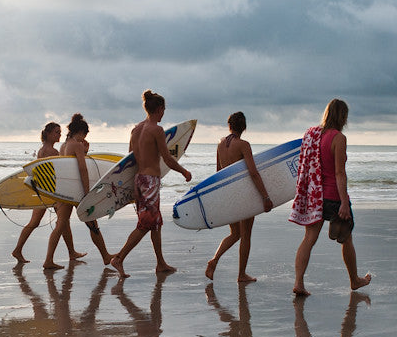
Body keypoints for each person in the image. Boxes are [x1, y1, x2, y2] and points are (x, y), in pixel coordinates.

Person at [290, 98, 373, 296]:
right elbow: (339, 173)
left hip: (316, 195)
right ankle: (354, 280)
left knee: (309, 238)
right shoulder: (338, 138)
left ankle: (298, 283)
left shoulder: (312, 134)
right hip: (333, 196)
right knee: (347, 239)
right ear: (343, 116)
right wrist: (344, 202)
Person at [109, 90, 192, 278]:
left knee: (155, 223)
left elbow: (130, 160)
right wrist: (184, 171)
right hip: (150, 182)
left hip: (139, 180)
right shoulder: (156, 130)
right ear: (159, 109)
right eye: (164, 110)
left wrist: (133, 186)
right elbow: (167, 159)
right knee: (145, 224)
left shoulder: (136, 129)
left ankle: (160, 263)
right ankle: (119, 258)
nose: (164, 114)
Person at [204, 112, 275, 283]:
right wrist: (265, 197)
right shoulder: (243, 145)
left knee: (235, 233)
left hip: (228, 195)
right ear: (244, 127)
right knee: (246, 235)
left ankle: (214, 260)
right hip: (244, 195)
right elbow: (253, 173)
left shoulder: (220, 144)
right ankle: (241, 274)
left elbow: (218, 173)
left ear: (229, 125)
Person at [44, 114, 112, 269]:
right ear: (81, 132)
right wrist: (88, 192)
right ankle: (106, 256)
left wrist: (85, 152)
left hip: (64, 190)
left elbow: (70, 168)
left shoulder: (64, 145)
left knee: (60, 225)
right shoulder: (77, 145)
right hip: (77, 192)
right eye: (85, 135)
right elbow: (82, 169)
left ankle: (49, 260)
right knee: (92, 223)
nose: (85, 138)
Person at [13, 122, 70, 264]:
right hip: (50, 193)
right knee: (56, 222)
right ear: (49, 134)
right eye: (57, 132)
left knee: (62, 223)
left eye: (60, 132)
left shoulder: (42, 149)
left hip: (44, 190)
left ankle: (72, 252)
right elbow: (61, 172)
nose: (59, 134)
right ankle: (18, 250)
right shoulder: (52, 152)